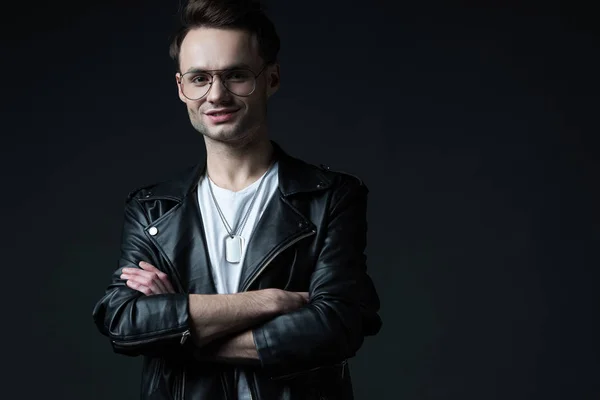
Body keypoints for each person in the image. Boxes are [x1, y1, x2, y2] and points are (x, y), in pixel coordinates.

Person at [91, 0, 382, 398]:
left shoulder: (330, 197)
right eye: (199, 79)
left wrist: (177, 325)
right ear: (181, 88)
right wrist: (269, 301)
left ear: (272, 79)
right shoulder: (153, 208)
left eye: (237, 76)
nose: (217, 95)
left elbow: (335, 327)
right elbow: (125, 322)